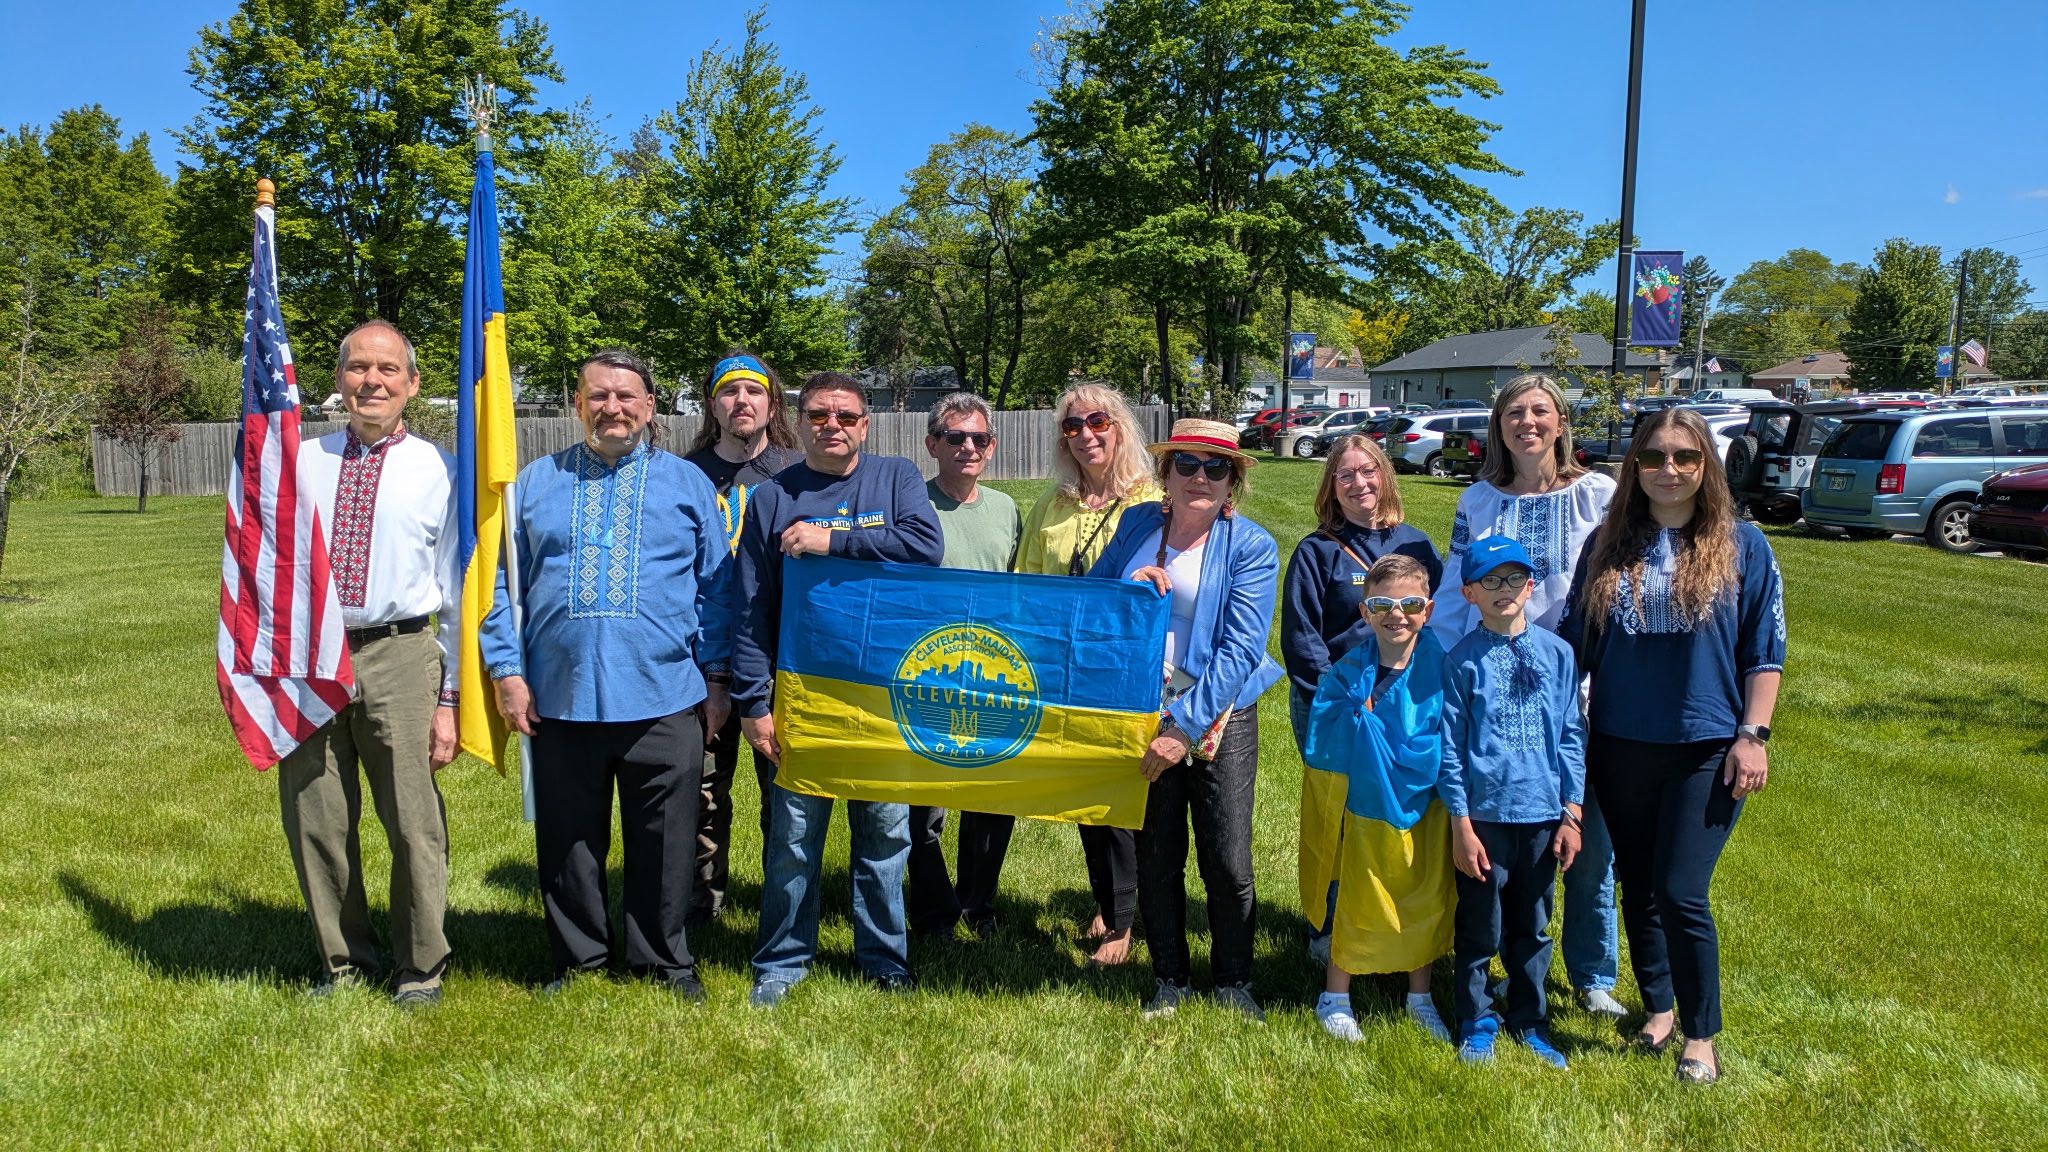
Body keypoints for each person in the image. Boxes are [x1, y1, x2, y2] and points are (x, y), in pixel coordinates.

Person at [481, 349, 730, 1000]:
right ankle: (579, 962)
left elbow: (719, 590)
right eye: (597, 396)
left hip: (665, 695)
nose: (612, 407)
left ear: (650, 409)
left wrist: (718, 681)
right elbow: (499, 588)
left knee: (668, 845)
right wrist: (507, 671)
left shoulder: (687, 485)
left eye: (626, 397)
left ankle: (663, 963)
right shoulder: (534, 484)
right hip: (560, 698)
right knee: (569, 845)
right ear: (577, 405)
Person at [1559, 408, 1784, 1085]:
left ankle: (1701, 1034)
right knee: (1640, 888)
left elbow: (1763, 652)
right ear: (1634, 465)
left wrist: (1753, 734)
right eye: (1654, 457)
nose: (1669, 470)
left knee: (1682, 889)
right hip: (1621, 741)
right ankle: (1657, 1008)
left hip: (1707, 745)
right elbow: (1576, 648)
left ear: (1706, 466)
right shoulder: (1608, 542)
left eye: (1685, 457)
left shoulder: (1743, 545)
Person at [733, 372, 944, 1008]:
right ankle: (782, 959)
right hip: (804, 695)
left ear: (865, 424)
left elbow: (925, 546)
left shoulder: (895, 477)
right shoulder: (773, 497)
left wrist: (834, 541)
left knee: (885, 837)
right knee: (794, 838)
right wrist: (754, 702)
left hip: (883, 694)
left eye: (847, 416)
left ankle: (884, 959)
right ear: (797, 423)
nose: (833, 425)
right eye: (820, 415)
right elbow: (750, 607)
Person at [1428, 373, 1626, 1020]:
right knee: (1499, 835)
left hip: (1580, 683)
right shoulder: (1479, 501)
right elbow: (1458, 587)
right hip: (1489, 681)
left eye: (1540, 411)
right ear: (1498, 427)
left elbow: (1618, 585)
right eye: (1514, 412)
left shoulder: (1598, 495)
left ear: (1562, 422)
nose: (1528, 422)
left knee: (1587, 838)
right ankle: (1487, 965)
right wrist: (1443, 669)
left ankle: (1593, 973)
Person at [279, 319, 459, 1006]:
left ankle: (421, 966)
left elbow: (458, 585)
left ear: (412, 384)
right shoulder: (302, 461)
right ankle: (343, 961)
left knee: (413, 818)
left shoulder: (440, 469)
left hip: (403, 652)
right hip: (311, 656)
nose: (372, 381)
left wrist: (450, 700)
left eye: (388, 370)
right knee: (316, 814)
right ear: (339, 380)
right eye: (358, 368)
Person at [1092, 418, 1282, 1021]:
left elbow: (1241, 649)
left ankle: (1233, 981)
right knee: (1156, 852)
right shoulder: (1135, 525)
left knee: (1226, 858)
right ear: (1166, 473)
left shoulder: (1250, 545)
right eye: (1187, 465)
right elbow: (1093, 599)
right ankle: (1169, 978)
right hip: (1141, 709)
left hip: (1220, 714)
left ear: (1234, 482)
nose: (1201, 477)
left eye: (1217, 467)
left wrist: (1183, 729)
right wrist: (1128, 581)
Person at [1280, 434, 1442, 965]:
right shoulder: (1316, 550)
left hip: (1406, 703)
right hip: (1337, 706)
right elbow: (1302, 639)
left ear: (1385, 476)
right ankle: (1329, 927)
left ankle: (1398, 919)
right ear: (1332, 485)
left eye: (1367, 471)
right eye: (1345, 475)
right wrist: (1345, 699)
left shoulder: (1416, 543)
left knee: (1400, 812)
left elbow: (1435, 622)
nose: (1358, 483)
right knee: (1339, 816)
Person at [1014, 383, 1161, 966]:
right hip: (1060, 667)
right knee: (1085, 797)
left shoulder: (1151, 500)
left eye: (1097, 421)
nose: (1085, 435)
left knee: (1122, 795)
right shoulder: (1053, 504)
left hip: (1122, 670)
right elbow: (1026, 582)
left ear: (1119, 427)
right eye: (1072, 427)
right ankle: (1108, 899)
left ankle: (1124, 922)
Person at [1437, 535, 1586, 1070]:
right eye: (1490, 581)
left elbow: (1571, 734)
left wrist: (1572, 810)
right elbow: (1450, 750)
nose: (1505, 590)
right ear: (1469, 593)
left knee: (1533, 924)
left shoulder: (1559, 654)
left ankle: (1530, 1018)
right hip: (1485, 818)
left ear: (1532, 584)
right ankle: (1476, 1020)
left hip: (1544, 816)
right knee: (1481, 925)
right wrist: (1461, 823)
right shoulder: (1461, 662)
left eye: (1515, 579)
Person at [1299, 554, 1455, 1045]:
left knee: (1422, 892)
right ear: (1365, 612)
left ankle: (1420, 997)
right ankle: (1336, 995)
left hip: (1425, 807)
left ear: (1427, 609)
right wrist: (1359, 722)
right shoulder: (1345, 674)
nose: (1397, 614)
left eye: (1410, 603)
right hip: (1362, 806)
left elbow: (1451, 735)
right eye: (1383, 604)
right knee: (1356, 896)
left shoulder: (1443, 669)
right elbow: (1324, 734)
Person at [682, 350, 801, 926]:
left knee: (785, 790)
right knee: (700, 789)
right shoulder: (684, 474)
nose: (742, 402)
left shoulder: (799, 474)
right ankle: (701, 903)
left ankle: (783, 905)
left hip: (778, 654)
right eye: (730, 392)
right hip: (698, 655)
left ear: (771, 402)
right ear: (713, 404)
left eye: (754, 391)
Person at [904, 392, 1022, 940]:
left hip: (992, 673)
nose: (969, 447)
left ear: (992, 447)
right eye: (956, 437)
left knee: (993, 798)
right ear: (933, 445)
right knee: (921, 805)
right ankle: (932, 910)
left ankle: (979, 902)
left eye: (980, 438)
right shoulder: (909, 504)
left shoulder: (1006, 509)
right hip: (926, 671)